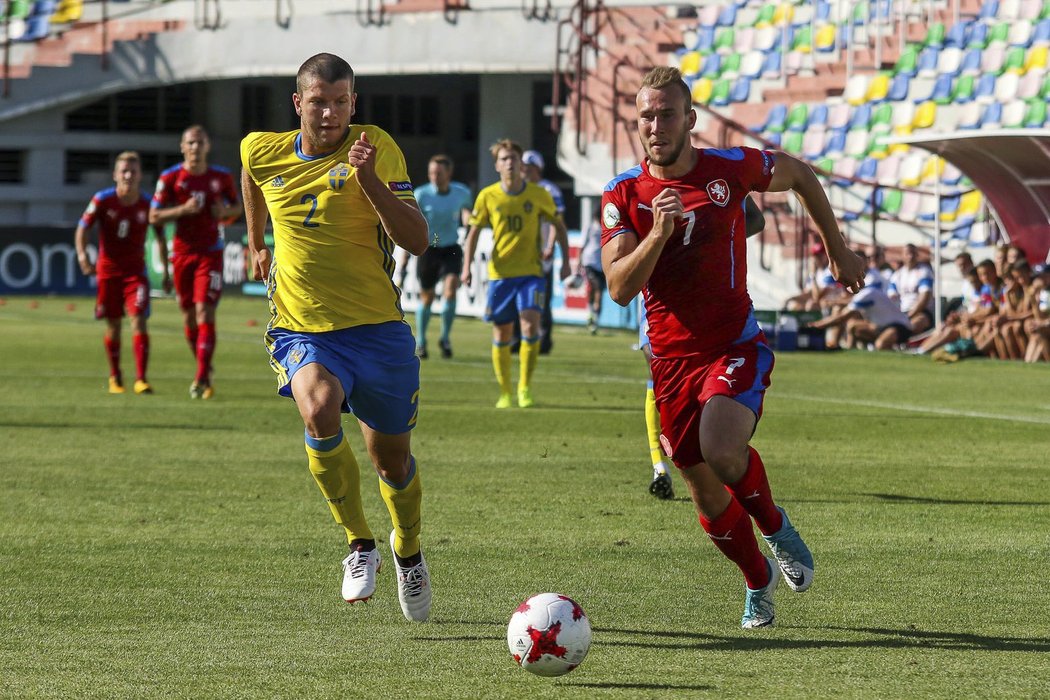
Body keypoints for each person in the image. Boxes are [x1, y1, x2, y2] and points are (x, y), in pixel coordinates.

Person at [600, 66, 865, 629]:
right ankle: (757, 581)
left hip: (733, 344)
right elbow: (620, 287)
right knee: (702, 487)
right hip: (670, 362)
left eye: (667, 114)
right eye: (646, 115)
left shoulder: (730, 168)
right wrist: (658, 234)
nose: (655, 125)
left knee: (723, 447)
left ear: (690, 120)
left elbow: (800, 176)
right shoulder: (623, 194)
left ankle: (777, 528)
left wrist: (836, 249)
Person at [240, 52, 432, 621]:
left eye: (341, 101)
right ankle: (358, 543)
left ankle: (408, 550)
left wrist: (367, 177)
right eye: (318, 102)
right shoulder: (263, 148)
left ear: (355, 103)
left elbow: (417, 241)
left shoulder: (376, 146)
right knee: (319, 408)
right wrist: (257, 241)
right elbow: (250, 173)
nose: (330, 113)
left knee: (391, 462)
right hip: (304, 329)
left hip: (378, 331)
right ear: (298, 103)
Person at [461, 139, 571, 408]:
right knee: (502, 333)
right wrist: (466, 266)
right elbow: (473, 232)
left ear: (521, 164)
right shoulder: (488, 196)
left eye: (514, 158)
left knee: (531, 324)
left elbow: (559, 225)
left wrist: (566, 261)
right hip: (500, 274)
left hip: (531, 273)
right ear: (497, 165)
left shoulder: (539, 195)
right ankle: (505, 392)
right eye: (505, 159)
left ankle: (524, 388)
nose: (510, 163)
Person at [150, 125, 242, 400]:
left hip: (210, 253)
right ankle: (205, 366)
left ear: (207, 147)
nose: (195, 147)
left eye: (200, 142)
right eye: (190, 142)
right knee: (189, 316)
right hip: (181, 254)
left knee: (205, 312)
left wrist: (224, 212)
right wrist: (183, 210)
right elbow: (154, 217)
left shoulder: (221, 177)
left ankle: (201, 376)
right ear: (182, 147)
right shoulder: (170, 178)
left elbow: (237, 207)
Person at [75, 151, 171, 395]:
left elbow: (161, 237)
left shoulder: (148, 204)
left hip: (135, 273)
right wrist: (83, 256)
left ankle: (141, 379)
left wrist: (167, 271)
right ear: (116, 175)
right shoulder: (102, 200)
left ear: (140, 176)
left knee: (138, 320)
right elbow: (82, 229)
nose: (128, 175)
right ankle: (115, 376)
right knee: (114, 325)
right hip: (107, 273)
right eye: (124, 171)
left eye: (133, 171)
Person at [398, 154, 473, 359]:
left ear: (449, 173)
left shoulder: (462, 192)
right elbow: (411, 227)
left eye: (439, 173)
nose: (434, 176)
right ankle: (421, 341)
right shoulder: (421, 195)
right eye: (432, 172)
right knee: (427, 297)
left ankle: (445, 338)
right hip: (429, 249)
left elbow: (466, 212)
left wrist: (468, 222)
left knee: (450, 290)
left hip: (450, 248)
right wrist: (404, 259)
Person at [521, 149, 565, 354]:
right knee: (519, 299)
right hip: (520, 254)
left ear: (537, 169)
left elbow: (557, 222)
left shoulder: (549, 190)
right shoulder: (518, 189)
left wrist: (549, 245)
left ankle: (544, 341)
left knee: (542, 300)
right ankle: (517, 340)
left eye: (528, 168)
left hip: (541, 254)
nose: (524, 171)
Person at [887, 243, 935, 335]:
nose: (911, 256)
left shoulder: (924, 271)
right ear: (902, 256)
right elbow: (891, 298)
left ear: (917, 255)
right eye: (907, 253)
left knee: (913, 325)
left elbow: (924, 299)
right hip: (903, 312)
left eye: (913, 253)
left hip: (922, 312)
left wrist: (908, 316)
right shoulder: (897, 275)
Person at [577, 204, 605, 334]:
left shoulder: (607, 227)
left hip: (603, 264)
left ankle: (594, 318)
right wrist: (579, 262)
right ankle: (592, 316)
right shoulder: (590, 227)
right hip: (590, 262)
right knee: (596, 288)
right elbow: (582, 245)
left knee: (597, 291)